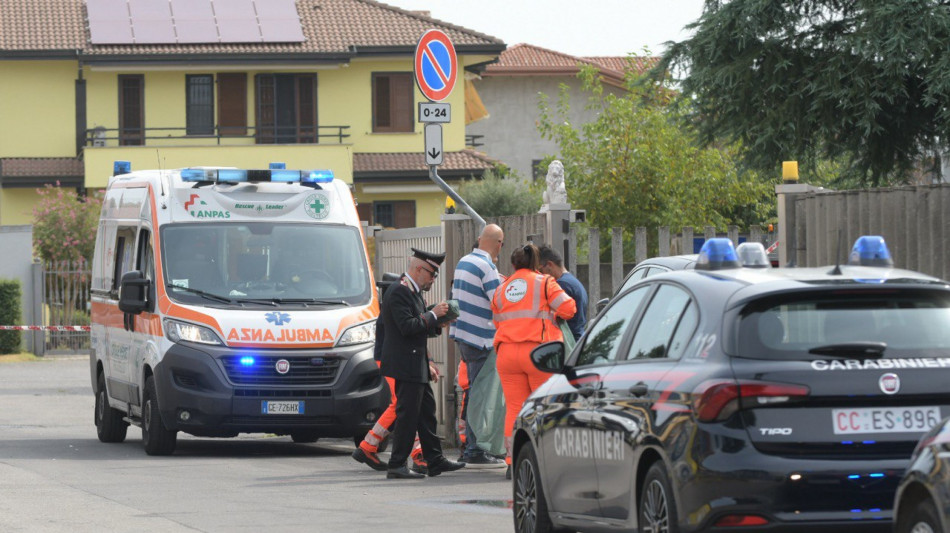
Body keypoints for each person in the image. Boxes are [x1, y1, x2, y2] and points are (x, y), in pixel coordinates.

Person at [378, 248, 466, 479]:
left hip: (415, 362)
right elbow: (407, 326)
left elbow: (419, 326)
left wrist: (438, 322)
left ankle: (434, 460)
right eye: (431, 274)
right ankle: (397, 464)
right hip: (405, 364)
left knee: (427, 412)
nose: (433, 279)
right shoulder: (399, 291)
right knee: (408, 415)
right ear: (419, 269)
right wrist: (434, 315)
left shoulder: (413, 292)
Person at [492, 244, 576, 478]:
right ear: (536, 263)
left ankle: (512, 462)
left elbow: (498, 321)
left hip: (507, 354)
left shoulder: (502, 289)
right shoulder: (545, 282)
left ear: (513, 264)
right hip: (540, 354)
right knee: (543, 407)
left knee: (515, 409)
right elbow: (569, 309)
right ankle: (545, 459)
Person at [449, 224, 506, 467]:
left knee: (473, 392)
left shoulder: (463, 262)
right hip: (482, 339)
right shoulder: (487, 267)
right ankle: (475, 449)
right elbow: (499, 303)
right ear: (499, 244)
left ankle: (471, 446)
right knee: (481, 396)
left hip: (464, 335)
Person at [351, 314, 428, 474]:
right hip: (394, 358)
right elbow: (407, 331)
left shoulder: (405, 296)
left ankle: (368, 446)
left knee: (403, 404)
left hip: (398, 357)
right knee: (403, 404)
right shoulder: (400, 295)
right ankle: (417, 454)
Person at [539, 244, 589, 342]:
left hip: (569, 343)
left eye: (540, 270)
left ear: (549, 265)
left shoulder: (561, 285)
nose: (540, 275)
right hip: (577, 339)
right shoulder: (572, 282)